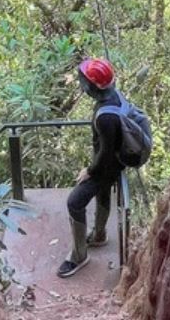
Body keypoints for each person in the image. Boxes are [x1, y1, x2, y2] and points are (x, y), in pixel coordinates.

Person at [57, 57, 124, 278]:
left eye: (84, 80)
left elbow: (104, 154)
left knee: (74, 202)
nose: (81, 82)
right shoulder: (114, 98)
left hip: (106, 166)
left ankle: (79, 255)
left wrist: (90, 171)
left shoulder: (105, 117)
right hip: (115, 164)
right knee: (103, 192)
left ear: (93, 86)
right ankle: (99, 235)